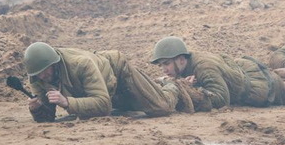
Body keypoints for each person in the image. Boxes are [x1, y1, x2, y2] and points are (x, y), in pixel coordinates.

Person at [150, 35, 285, 112]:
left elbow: (221, 98)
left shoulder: (203, 67)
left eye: (167, 64)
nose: (164, 69)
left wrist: (191, 89)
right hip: (245, 71)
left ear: (181, 59)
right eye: (162, 65)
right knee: (279, 75)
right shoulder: (190, 63)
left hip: (261, 88)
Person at [23, 42, 180, 122]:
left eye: (45, 71)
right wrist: (36, 109)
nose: (42, 76)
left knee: (161, 107)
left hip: (117, 72)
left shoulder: (80, 64)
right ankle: (152, 86)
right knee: (127, 110)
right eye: (38, 74)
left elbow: (104, 104)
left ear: (54, 64)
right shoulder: (38, 76)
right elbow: (47, 119)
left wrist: (67, 103)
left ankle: (170, 84)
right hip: (102, 87)